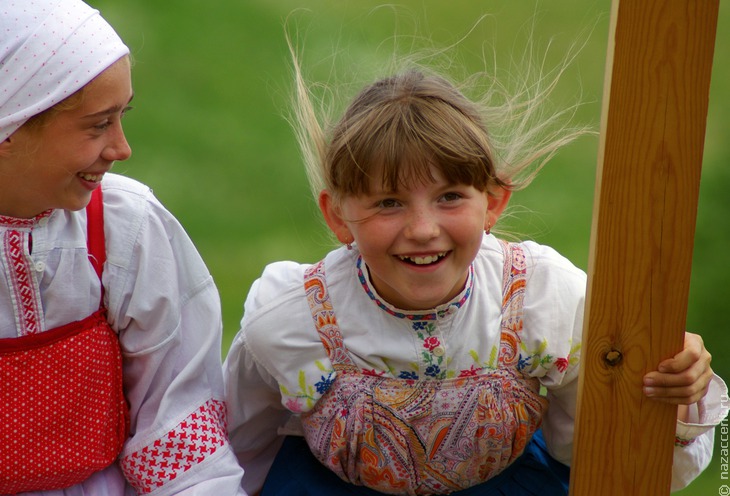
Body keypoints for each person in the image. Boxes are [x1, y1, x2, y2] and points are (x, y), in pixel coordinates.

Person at [223, 32, 729, 496]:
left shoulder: (541, 299)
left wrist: (678, 392)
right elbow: (234, 450)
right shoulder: (292, 318)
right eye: (388, 203)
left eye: (449, 197)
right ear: (338, 216)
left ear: (492, 204)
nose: (422, 229)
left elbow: (606, 457)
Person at [0, 1, 245, 494]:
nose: (121, 147)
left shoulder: (124, 228)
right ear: (11, 129)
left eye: (121, 117)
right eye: (97, 125)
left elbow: (178, 415)